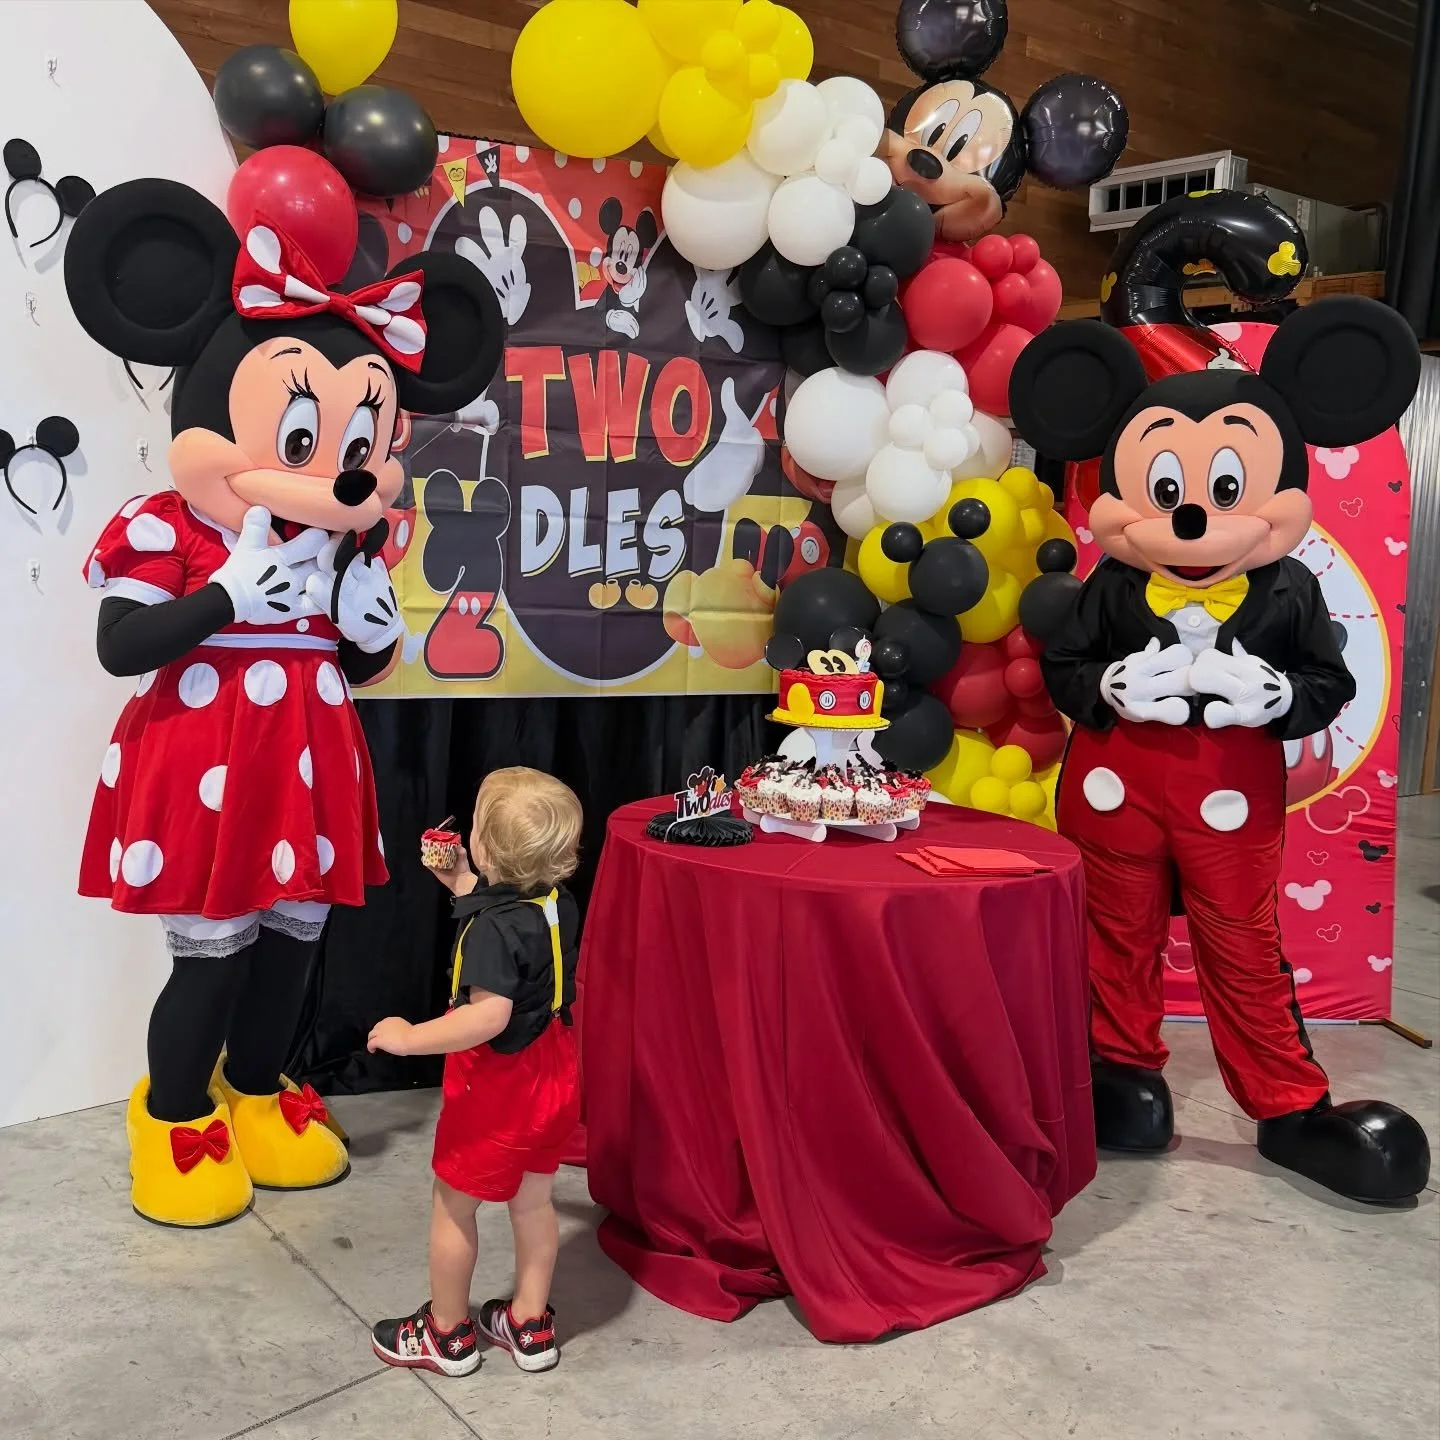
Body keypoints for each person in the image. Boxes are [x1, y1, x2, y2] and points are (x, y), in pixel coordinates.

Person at [369, 768, 583, 1376]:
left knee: (453, 1206)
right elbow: (511, 931)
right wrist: (461, 881)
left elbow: (487, 1016)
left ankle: (447, 1334)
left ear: (487, 848)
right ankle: (528, 1324)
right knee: (533, 1201)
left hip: (500, 1086)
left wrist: (412, 1039)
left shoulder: (491, 929)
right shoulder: (554, 900)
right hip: (554, 1070)